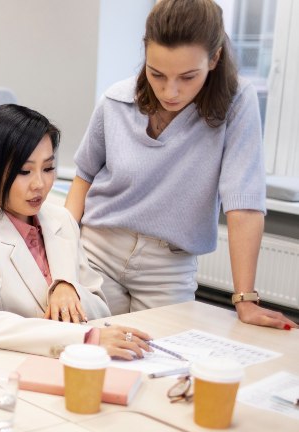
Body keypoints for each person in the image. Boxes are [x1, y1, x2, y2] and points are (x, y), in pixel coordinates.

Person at [65, 0, 297, 330]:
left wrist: (245, 298)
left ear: (214, 59)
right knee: (87, 351)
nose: (170, 91)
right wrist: (59, 261)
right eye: (157, 73)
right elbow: (83, 178)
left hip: (169, 265)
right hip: (97, 250)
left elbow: (243, 203)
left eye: (188, 77)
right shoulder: (116, 100)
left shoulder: (236, 103)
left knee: (163, 362)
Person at [0, 104, 151, 359]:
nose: (40, 184)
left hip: (76, 364)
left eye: (48, 168)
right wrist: (82, 338)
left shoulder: (60, 220)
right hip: (15, 370)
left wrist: (67, 286)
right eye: (24, 171)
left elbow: (101, 310)